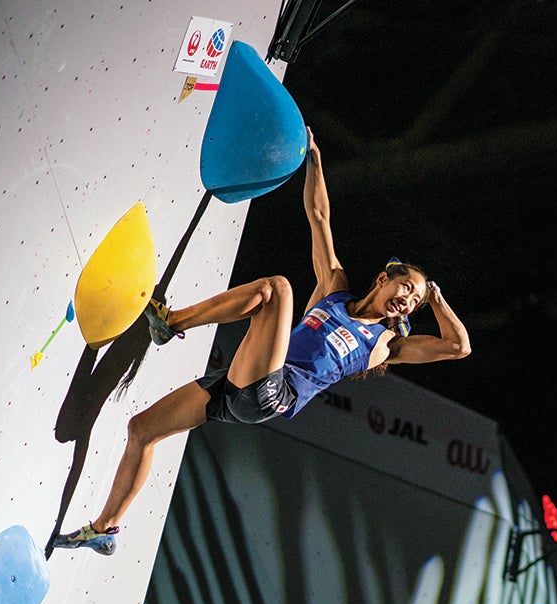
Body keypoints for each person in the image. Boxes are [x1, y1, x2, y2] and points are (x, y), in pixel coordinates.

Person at [52, 128, 471, 555]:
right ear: (384, 279)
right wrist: (314, 159)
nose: (408, 299)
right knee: (141, 430)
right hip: (242, 381)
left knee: (278, 290)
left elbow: (459, 347)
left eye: (414, 301)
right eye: (407, 288)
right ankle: (106, 529)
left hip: (273, 395)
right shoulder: (335, 289)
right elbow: (319, 216)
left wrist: (435, 300)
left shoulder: (385, 345)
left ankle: (170, 322)